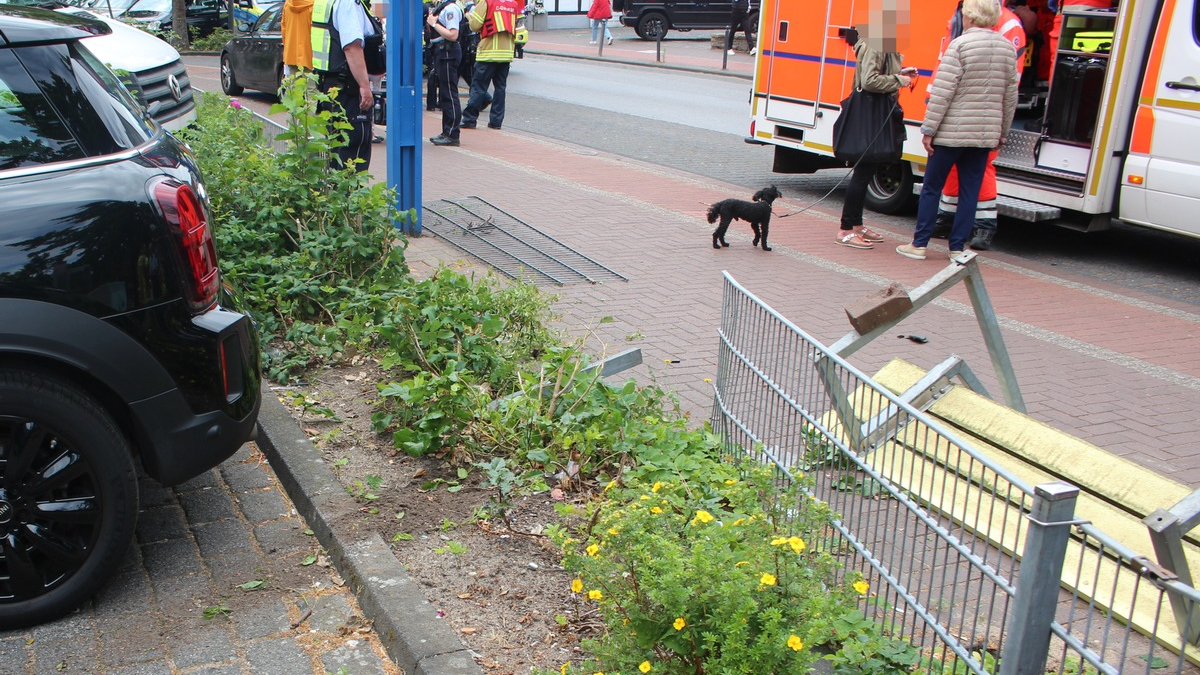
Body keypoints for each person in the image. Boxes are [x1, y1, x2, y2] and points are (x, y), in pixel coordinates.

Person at [897, 0, 1017, 260]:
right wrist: (1003, 132)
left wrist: (929, 129)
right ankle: (957, 248)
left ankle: (919, 244)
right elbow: (1010, 97)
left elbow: (943, 92)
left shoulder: (959, 45)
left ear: (969, 17)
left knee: (931, 187)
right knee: (970, 191)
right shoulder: (1007, 49)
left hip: (951, 133)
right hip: (984, 135)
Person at [930, 0, 1026, 250]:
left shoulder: (1007, 23)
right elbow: (945, 62)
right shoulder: (963, 14)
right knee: (954, 169)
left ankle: (984, 225)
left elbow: (1010, 80)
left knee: (983, 167)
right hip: (960, 109)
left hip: (982, 111)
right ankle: (947, 218)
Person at [835, 3, 916, 250]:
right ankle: (846, 229)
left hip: (875, 112)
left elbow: (878, 74)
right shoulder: (876, 42)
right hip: (870, 113)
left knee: (866, 171)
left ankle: (856, 226)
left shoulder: (883, 41)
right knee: (862, 173)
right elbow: (869, 81)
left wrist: (901, 72)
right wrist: (901, 80)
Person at [311, 0, 385, 171]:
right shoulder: (348, 4)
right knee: (353, 152)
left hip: (331, 85)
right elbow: (352, 47)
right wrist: (365, 87)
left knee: (336, 147)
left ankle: (337, 193)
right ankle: (349, 196)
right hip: (348, 88)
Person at [460, 0, 522, 130]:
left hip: (488, 53)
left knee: (479, 87)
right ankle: (496, 122)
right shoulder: (513, 4)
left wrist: (469, 17)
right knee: (500, 89)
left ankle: (470, 119)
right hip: (506, 53)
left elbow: (475, 26)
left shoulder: (487, 2)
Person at [427, 0, 463, 146]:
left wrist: (434, 23)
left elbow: (453, 35)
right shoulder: (443, 7)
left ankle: (452, 134)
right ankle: (446, 131)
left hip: (448, 52)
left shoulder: (451, 9)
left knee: (449, 93)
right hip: (442, 52)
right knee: (444, 94)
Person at [281, 0, 314, 78]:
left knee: (294, 86)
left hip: (291, 55)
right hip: (309, 56)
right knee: (311, 87)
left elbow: (284, 31)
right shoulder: (313, 6)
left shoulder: (287, 5)